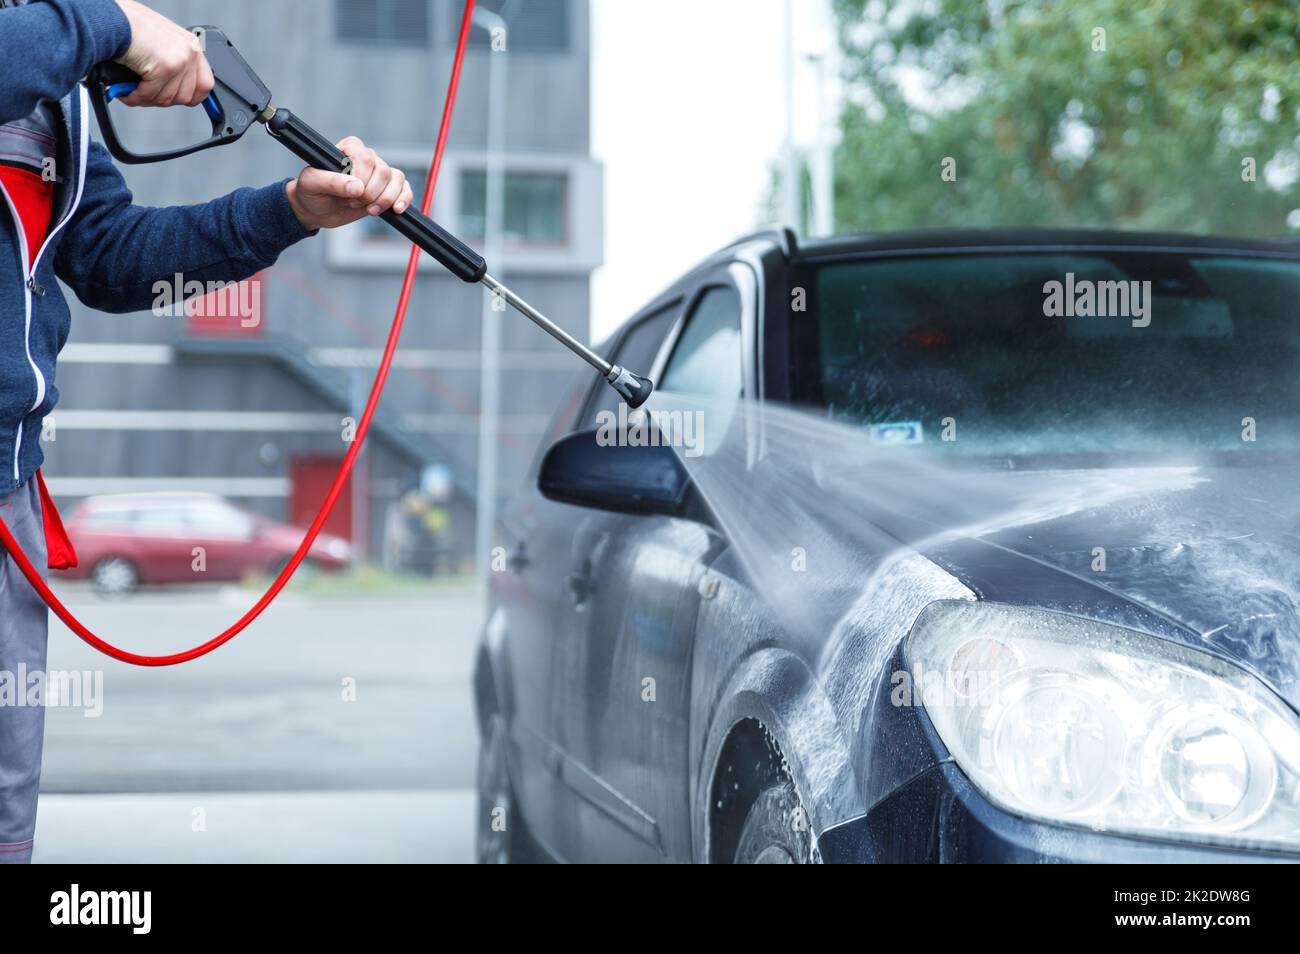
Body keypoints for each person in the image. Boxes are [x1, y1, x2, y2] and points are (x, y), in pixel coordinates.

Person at [0, 0, 414, 864]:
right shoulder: (68, 31)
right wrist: (112, 24)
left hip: (10, 502)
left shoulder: (57, 73)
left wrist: (289, 211)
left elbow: (112, 258)